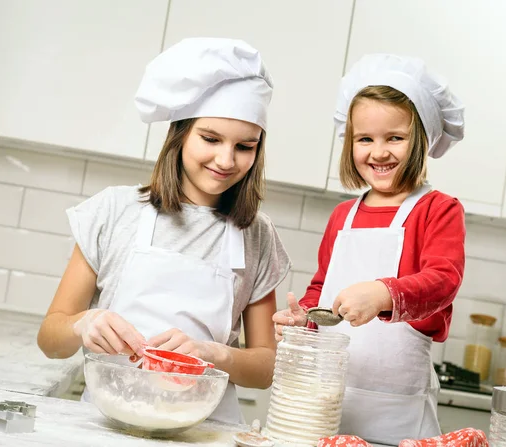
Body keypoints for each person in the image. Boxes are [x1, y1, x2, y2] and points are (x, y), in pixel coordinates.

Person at [37, 37, 291, 425]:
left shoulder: (256, 233)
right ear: (180, 134)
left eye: (245, 146)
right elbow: (50, 341)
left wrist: (214, 354)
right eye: (210, 138)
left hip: (206, 428)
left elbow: (266, 366)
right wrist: (82, 324)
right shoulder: (114, 211)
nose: (226, 159)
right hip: (108, 421)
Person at [273, 53, 466, 445]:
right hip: (328, 406)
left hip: (399, 414)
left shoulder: (438, 209)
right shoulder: (343, 215)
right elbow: (323, 286)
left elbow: (444, 281)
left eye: (395, 137)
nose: (379, 152)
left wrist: (383, 294)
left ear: (422, 140)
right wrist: (305, 319)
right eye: (365, 139)